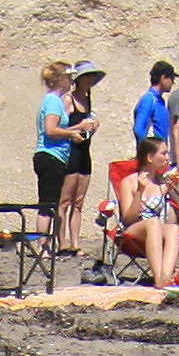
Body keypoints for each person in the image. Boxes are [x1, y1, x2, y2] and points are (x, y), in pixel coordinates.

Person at [113, 137, 179, 286]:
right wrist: (140, 191)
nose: (167, 158)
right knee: (153, 223)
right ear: (150, 157)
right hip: (132, 231)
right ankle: (158, 277)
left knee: (173, 228)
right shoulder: (129, 182)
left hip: (155, 230)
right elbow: (128, 218)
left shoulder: (163, 182)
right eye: (163, 153)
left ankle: (166, 276)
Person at [33, 65, 84, 254]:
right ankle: (42, 246)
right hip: (50, 156)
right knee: (47, 203)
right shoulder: (54, 102)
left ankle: (44, 245)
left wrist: (77, 128)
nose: (71, 81)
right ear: (59, 79)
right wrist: (71, 134)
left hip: (55, 156)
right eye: (68, 77)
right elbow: (51, 130)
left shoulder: (54, 101)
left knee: (51, 202)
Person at [57, 64, 108, 255]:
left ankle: (75, 243)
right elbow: (59, 129)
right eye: (87, 77)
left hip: (84, 153)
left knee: (78, 202)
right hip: (70, 153)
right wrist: (80, 126)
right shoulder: (68, 100)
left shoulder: (87, 100)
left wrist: (92, 126)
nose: (90, 81)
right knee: (64, 202)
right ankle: (61, 244)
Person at [131, 63, 179, 169]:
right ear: (163, 78)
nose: (173, 82)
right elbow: (139, 129)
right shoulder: (149, 99)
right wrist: (149, 153)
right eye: (171, 78)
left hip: (159, 159)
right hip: (151, 161)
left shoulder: (160, 101)